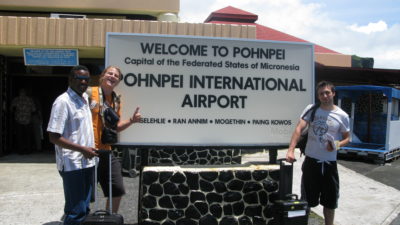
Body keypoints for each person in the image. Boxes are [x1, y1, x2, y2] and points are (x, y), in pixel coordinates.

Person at [286, 81, 350, 225]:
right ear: (318, 96)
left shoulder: (342, 115)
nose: (324, 96)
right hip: (311, 162)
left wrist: (336, 145)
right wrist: (291, 150)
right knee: (306, 201)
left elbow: (347, 138)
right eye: (321, 93)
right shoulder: (312, 109)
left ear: (333, 93)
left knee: (330, 202)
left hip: (330, 165)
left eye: (327, 92)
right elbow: (298, 129)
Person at [47, 65, 98, 225]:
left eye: (86, 79)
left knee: (84, 208)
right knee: (75, 211)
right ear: (70, 79)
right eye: (79, 78)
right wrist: (82, 149)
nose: (83, 81)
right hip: (72, 165)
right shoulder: (63, 102)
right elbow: (54, 137)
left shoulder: (83, 99)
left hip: (88, 162)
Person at [88, 65, 141, 213]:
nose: (112, 77)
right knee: (86, 193)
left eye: (116, 76)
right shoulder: (88, 93)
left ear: (118, 81)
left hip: (105, 150)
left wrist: (131, 120)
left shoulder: (116, 100)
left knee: (117, 189)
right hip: (87, 150)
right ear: (102, 76)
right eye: (110, 73)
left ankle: (110, 218)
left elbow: (115, 127)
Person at [11, 88, 36, 154]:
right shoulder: (29, 100)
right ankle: (28, 150)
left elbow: (11, 109)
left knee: (20, 136)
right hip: (27, 120)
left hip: (18, 120)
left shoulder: (16, 99)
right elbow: (34, 109)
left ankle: (20, 150)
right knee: (28, 136)